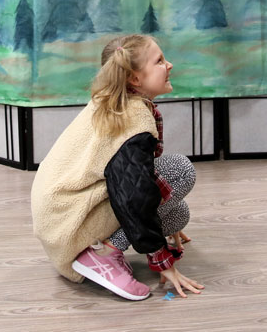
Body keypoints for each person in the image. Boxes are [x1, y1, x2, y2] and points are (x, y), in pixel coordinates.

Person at [30, 34, 203, 300]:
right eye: (159, 61)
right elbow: (134, 196)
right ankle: (103, 255)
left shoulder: (113, 100)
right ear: (134, 79)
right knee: (181, 170)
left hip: (56, 219)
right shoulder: (133, 119)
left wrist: (163, 209)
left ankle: (104, 248)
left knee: (178, 214)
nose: (169, 65)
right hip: (69, 223)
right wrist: (162, 259)